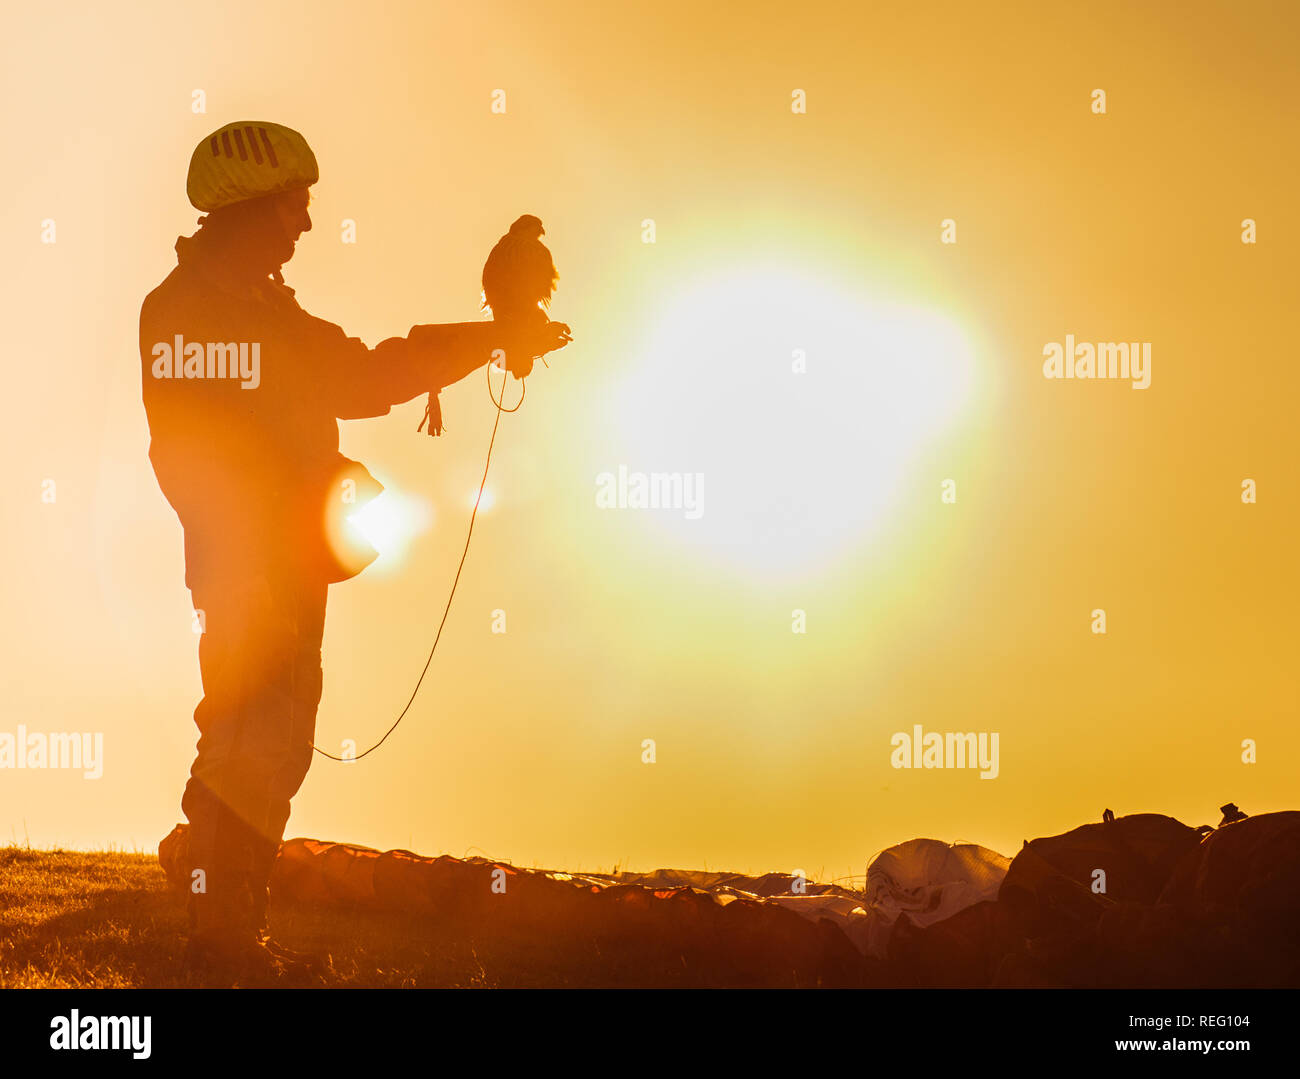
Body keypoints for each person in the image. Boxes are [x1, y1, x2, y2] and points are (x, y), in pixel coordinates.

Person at [138, 120, 571, 982]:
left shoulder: (271, 313)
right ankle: (216, 943)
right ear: (250, 206)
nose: (304, 224)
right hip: (247, 574)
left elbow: (366, 373)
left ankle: (233, 935)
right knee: (241, 741)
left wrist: (490, 338)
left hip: (292, 571)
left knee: (279, 743)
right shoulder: (183, 312)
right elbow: (183, 454)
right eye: (294, 205)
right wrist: (248, 566)